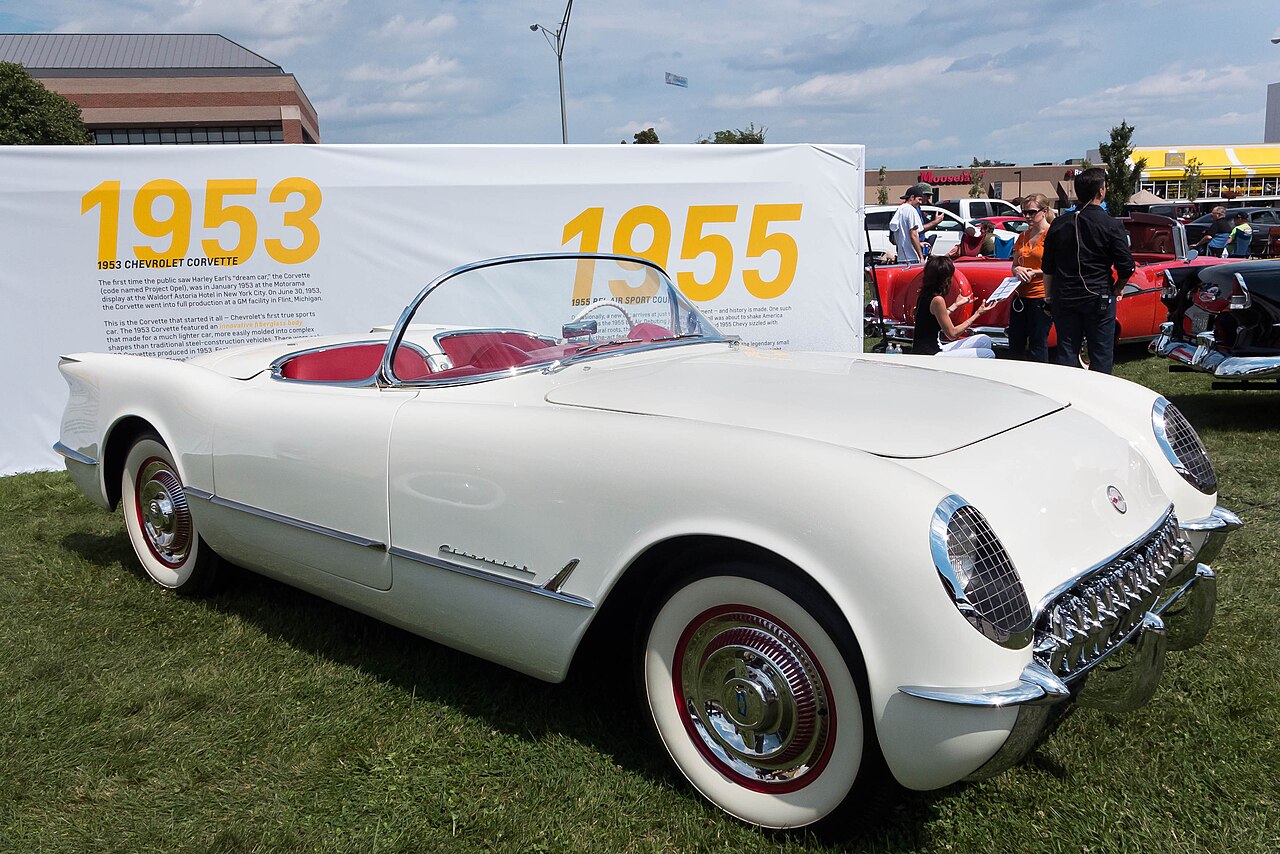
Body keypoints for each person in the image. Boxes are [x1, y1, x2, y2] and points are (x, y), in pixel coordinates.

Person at [1041, 167, 1135, 374]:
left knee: (1067, 352)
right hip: (1098, 296)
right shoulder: (1110, 224)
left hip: (1065, 297)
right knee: (1100, 353)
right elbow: (1126, 266)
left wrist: (1048, 298)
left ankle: (1069, 396)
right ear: (1101, 191)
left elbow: (1048, 266)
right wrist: (1118, 288)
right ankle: (1097, 398)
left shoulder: (1059, 224)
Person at [911, 255, 997, 358]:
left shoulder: (926, 294)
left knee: (984, 340)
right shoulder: (938, 300)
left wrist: (956, 305)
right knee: (988, 354)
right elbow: (952, 334)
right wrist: (977, 314)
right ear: (945, 279)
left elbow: (936, 318)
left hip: (935, 347)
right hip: (930, 354)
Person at [1006, 193, 1055, 362]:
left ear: (1045, 210)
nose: (1027, 217)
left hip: (1040, 296)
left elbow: (1057, 268)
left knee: (1038, 344)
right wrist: (1017, 270)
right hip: (1020, 297)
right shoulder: (1023, 236)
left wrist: (1036, 272)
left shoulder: (1052, 235)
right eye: (1024, 212)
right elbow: (1014, 265)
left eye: (1031, 212)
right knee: (1015, 344)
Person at [889, 182, 944, 264]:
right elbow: (913, 235)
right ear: (912, 197)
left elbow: (903, 235)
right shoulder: (911, 210)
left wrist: (919, 243)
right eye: (919, 199)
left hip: (902, 257)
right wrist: (921, 257)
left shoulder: (900, 210)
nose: (921, 202)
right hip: (911, 258)